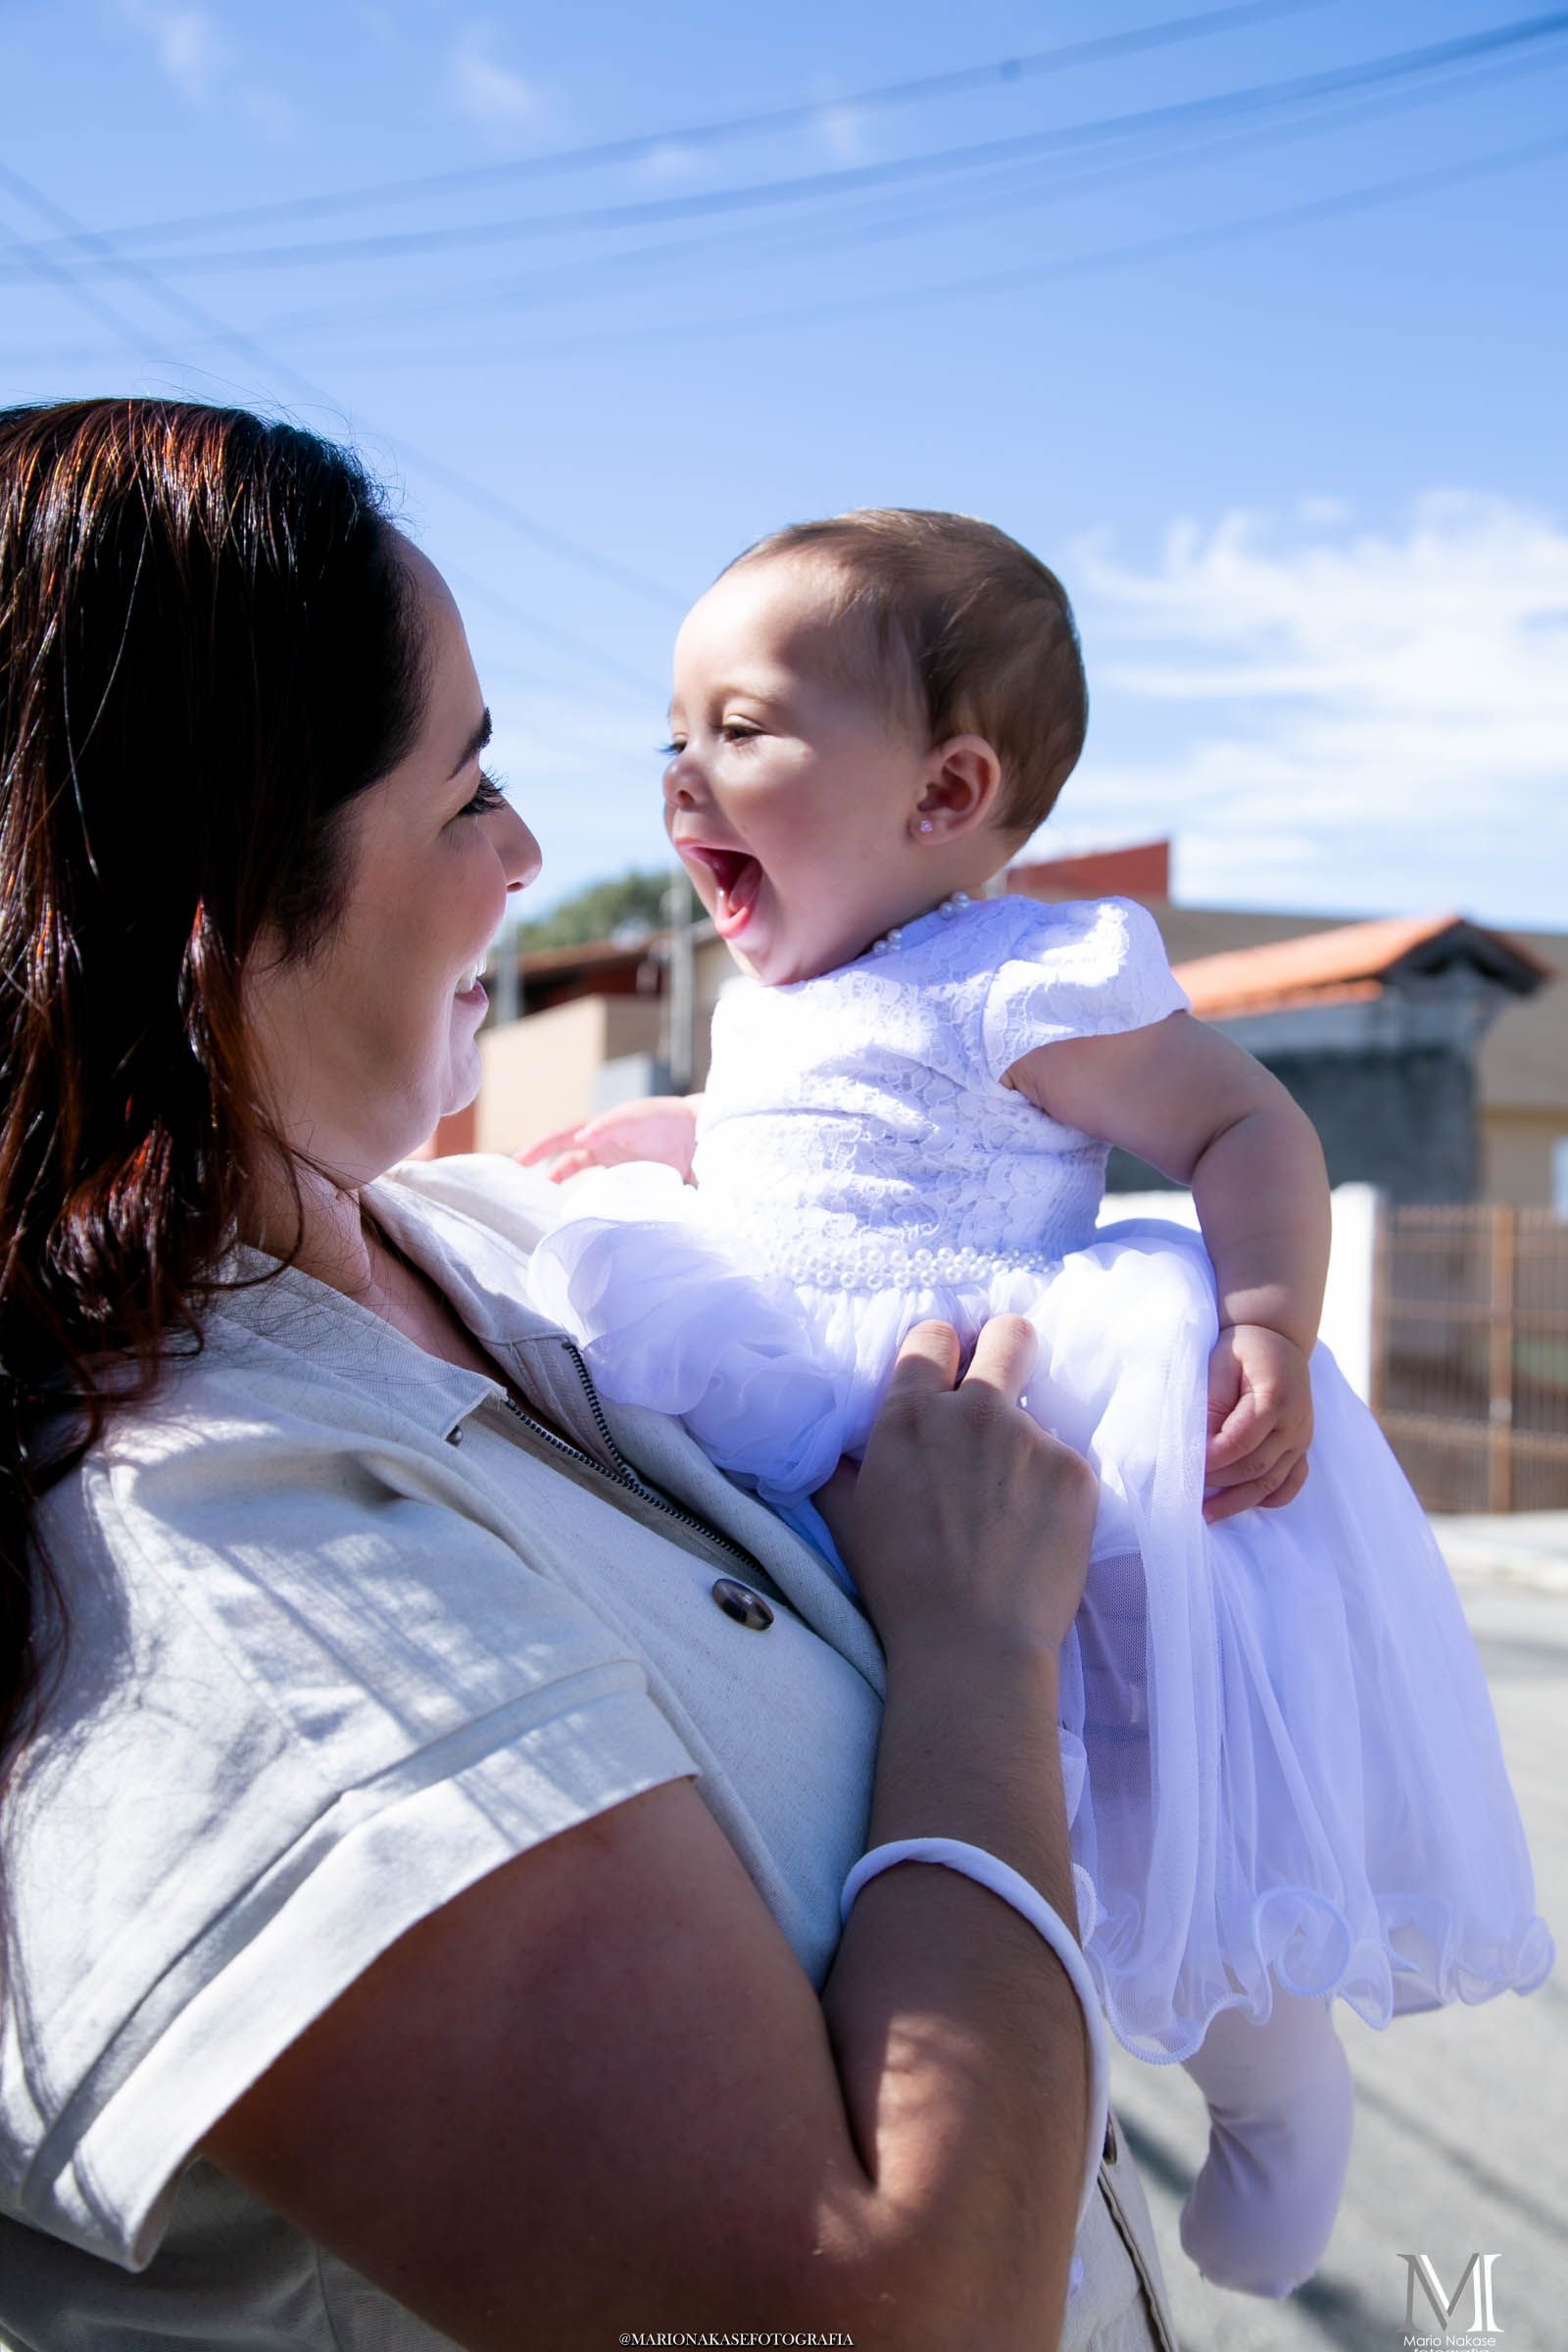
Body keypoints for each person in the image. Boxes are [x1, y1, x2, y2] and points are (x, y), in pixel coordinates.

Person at [0, 400, 1183, 2351]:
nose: (539, 851)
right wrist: (979, 1652)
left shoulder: (495, 1246)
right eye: (468, 792)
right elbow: (892, 2317)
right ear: (212, 917)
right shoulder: (213, 1560)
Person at [521, 508, 1553, 2300]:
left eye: (741, 727)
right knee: (904, 1822)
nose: (682, 772)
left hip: (1017, 1436)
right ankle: (1007, 2104)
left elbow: (1245, 1124)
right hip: (831, 1431)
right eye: (669, 733)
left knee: (1155, 1777)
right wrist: (678, 1136)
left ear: (946, 795)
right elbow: (816, 1161)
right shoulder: (770, 998)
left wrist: (1270, 1326)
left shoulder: (1015, 979)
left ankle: (1268, 2084)